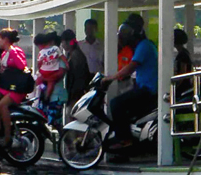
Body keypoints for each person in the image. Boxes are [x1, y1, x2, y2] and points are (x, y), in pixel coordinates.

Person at [101, 13, 158, 150]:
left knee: (116, 104)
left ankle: (124, 139)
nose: (124, 36)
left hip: (149, 90)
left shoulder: (144, 46)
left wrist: (110, 78)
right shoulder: (141, 46)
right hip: (144, 87)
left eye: (127, 32)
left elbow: (130, 68)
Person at [0, 28, 28, 147]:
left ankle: (7, 136)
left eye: (0, 39)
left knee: (3, 104)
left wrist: (12, 52)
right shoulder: (4, 53)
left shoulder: (15, 51)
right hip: (8, 86)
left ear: (5, 40)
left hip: (17, 88)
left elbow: (22, 66)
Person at [35, 32, 68, 134]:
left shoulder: (58, 59)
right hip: (45, 95)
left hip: (56, 95)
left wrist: (45, 78)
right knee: (40, 120)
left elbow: (59, 74)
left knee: (56, 122)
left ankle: (68, 143)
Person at [61, 29, 91, 123]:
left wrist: (73, 95)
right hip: (75, 93)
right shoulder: (72, 54)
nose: (62, 45)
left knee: (72, 117)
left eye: (63, 42)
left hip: (76, 94)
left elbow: (78, 77)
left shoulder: (76, 55)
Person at [34, 32, 69, 102]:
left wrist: (43, 78)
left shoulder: (59, 59)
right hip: (44, 95)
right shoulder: (44, 55)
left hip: (55, 96)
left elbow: (58, 75)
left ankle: (47, 96)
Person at [174, 29, 193, 97]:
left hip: (183, 87)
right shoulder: (184, 53)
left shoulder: (182, 55)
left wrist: (176, 86)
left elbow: (183, 71)